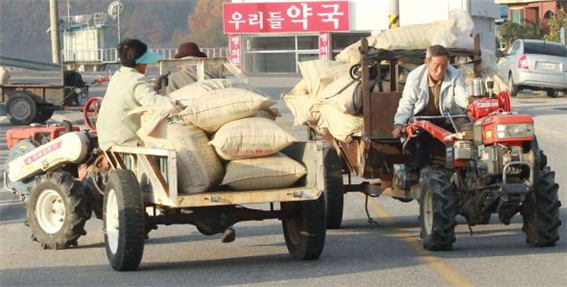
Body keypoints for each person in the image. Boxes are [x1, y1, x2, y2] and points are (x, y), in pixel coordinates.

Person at [391, 45, 469, 170]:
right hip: (422, 119)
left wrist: (471, 102)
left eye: (444, 65)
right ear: (427, 62)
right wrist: (398, 124)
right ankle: (423, 171)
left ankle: (465, 166)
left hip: (447, 117)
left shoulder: (455, 74)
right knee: (415, 134)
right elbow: (406, 103)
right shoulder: (414, 77)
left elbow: (462, 96)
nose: (440, 70)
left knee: (468, 128)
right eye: (436, 66)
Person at [97, 38, 177, 151]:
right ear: (139, 63)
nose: (146, 65)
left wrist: (154, 86)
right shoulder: (137, 79)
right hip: (124, 140)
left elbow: (136, 94)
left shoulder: (118, 76)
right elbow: (153, 102)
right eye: (145, 63)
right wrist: (177, 104)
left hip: (106, 138)